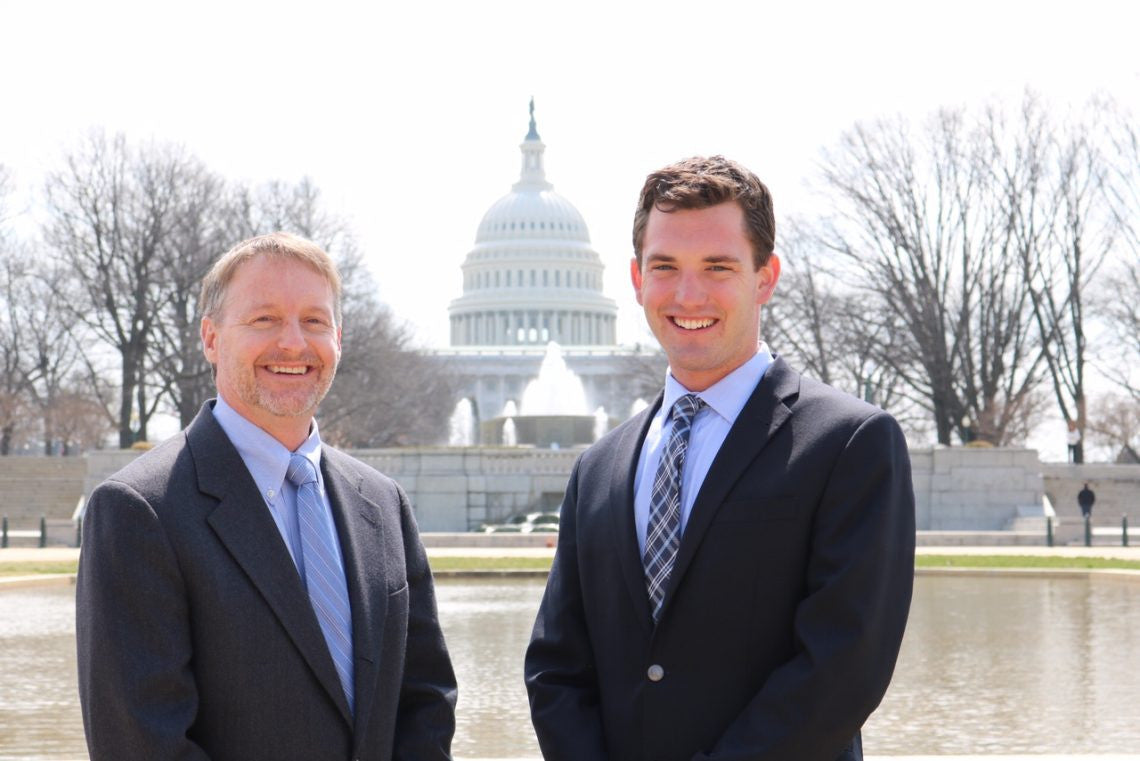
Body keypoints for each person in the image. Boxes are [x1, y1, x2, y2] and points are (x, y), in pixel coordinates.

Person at [524, 156, 916, 761]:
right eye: (665, 267)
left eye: (717, 266)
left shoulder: (849, 443)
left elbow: (843, 667)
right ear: (636, 278)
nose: (689, 294)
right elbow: (557, 666)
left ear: (765, 278)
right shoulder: (599, 467)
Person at [76, 233, 457, 760]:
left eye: (314, 321)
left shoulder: (382, 503)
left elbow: (426, 700)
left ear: (338, 339)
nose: (294, 344)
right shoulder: (140, 510)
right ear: (211, 338)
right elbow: (142, 743)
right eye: (265, 319)